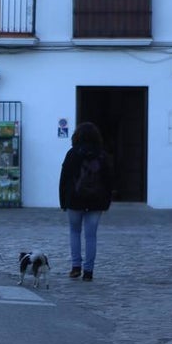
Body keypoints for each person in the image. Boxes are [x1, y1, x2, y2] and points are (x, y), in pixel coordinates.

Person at [58, 121, 114, 282]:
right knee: (91, 236)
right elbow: (109, 180)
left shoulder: (72, 153)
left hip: (74, 200)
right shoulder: (102, 155)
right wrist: (107, 201)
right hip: (96, 201)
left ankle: (76, 267)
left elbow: (64, 179)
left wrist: (63, 201)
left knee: (74, 232)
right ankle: (89, 271)